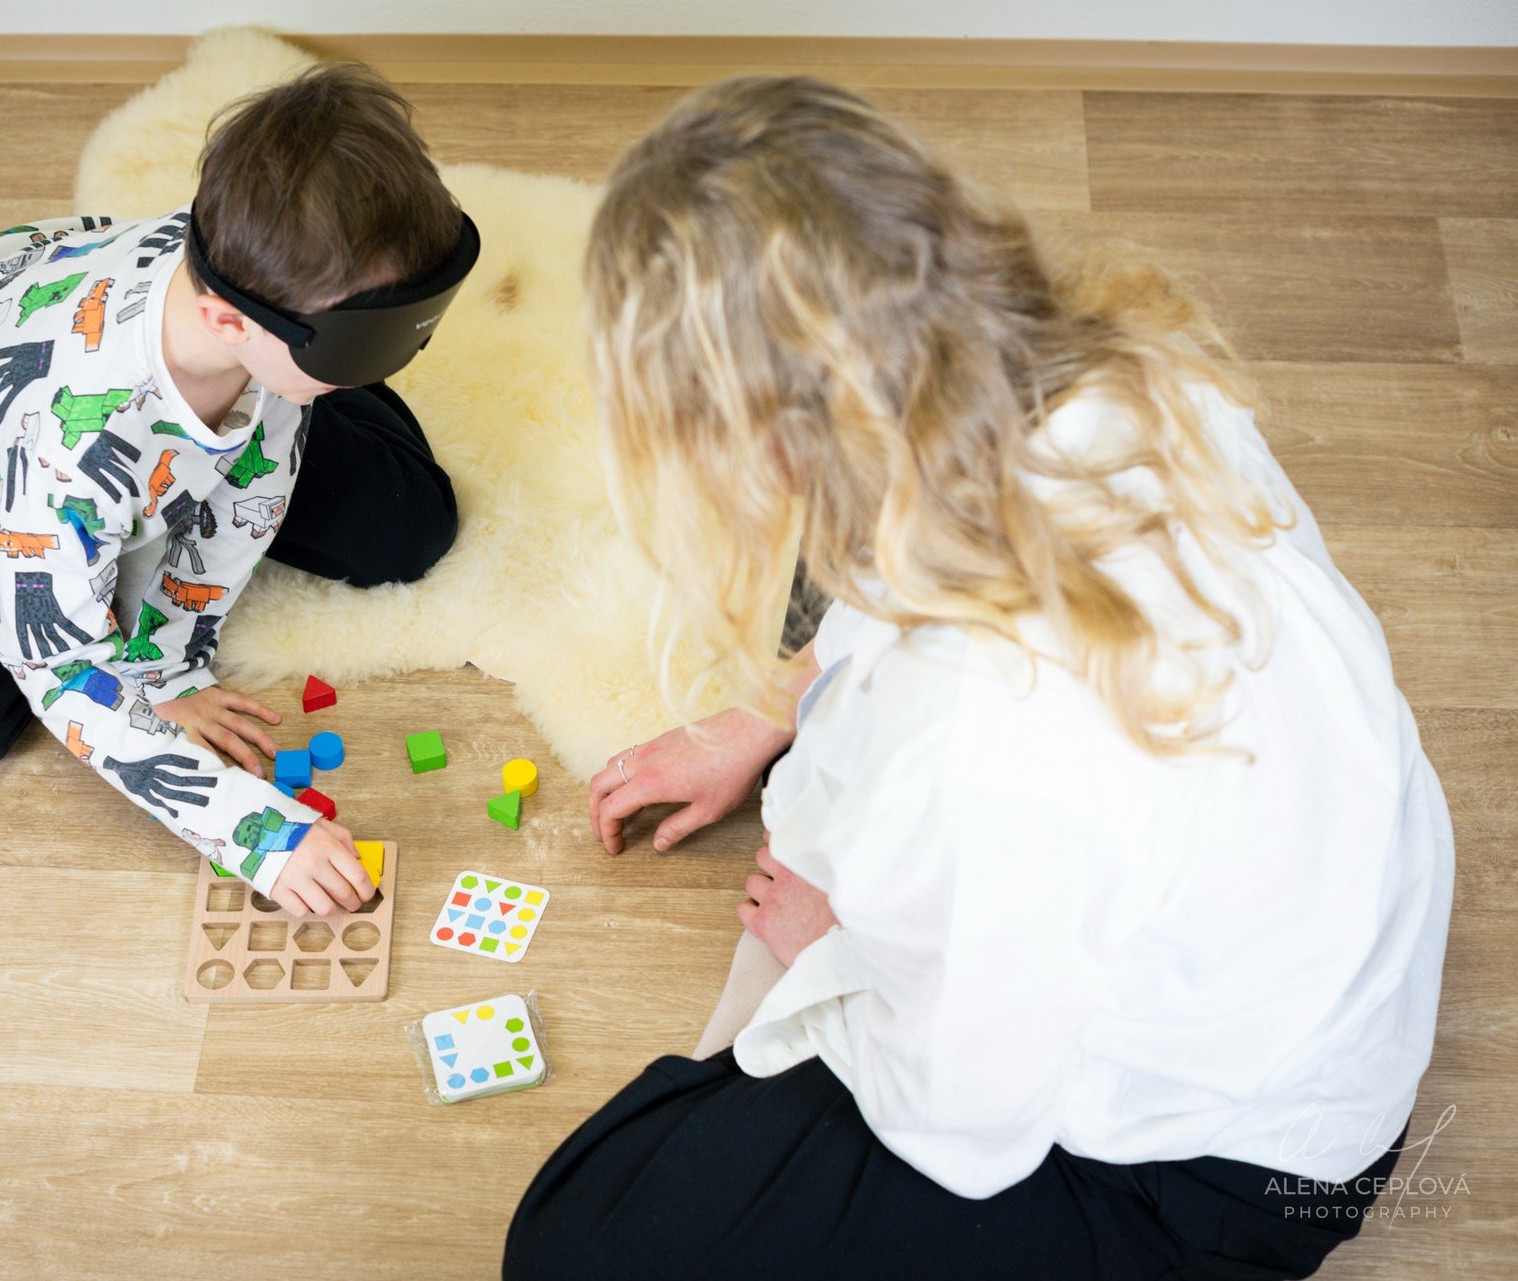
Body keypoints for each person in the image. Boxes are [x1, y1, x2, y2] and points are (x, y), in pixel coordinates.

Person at [505, 76, 1453, 1280]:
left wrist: (836, 952)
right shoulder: (1125, 370)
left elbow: (960, 1127)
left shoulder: (981, 750)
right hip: (1324, 929)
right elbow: (864, 589)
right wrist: (775, 707)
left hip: (1229, 1171)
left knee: (579, 1246)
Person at [0, 63, 479, 915]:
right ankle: (307, 376)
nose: (406, 358)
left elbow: (250, 493)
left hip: (236, 361)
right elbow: (58, 659)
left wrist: (170, 661)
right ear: (233, 323)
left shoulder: (251, 316)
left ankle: (315, 372)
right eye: (358, 350)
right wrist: (255, 831)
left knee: (414, 527)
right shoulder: (73, 445)